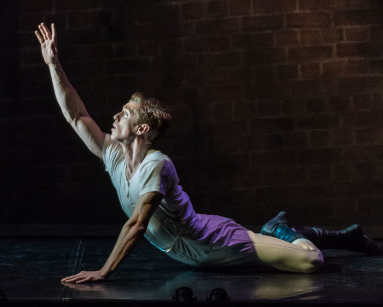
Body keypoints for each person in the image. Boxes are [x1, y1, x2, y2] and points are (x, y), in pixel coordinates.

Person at [34, 23, 382, 284]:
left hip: (218, 242)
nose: (114, 116)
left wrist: (103, 271)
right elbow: (76, 115)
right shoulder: (112, 155)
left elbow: (138, 223)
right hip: (196, 256)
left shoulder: (157, 165)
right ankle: (282, 228)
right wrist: (53, 64)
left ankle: (282, 228)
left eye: (124, 113)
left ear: (141, 129)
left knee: (312, 262)